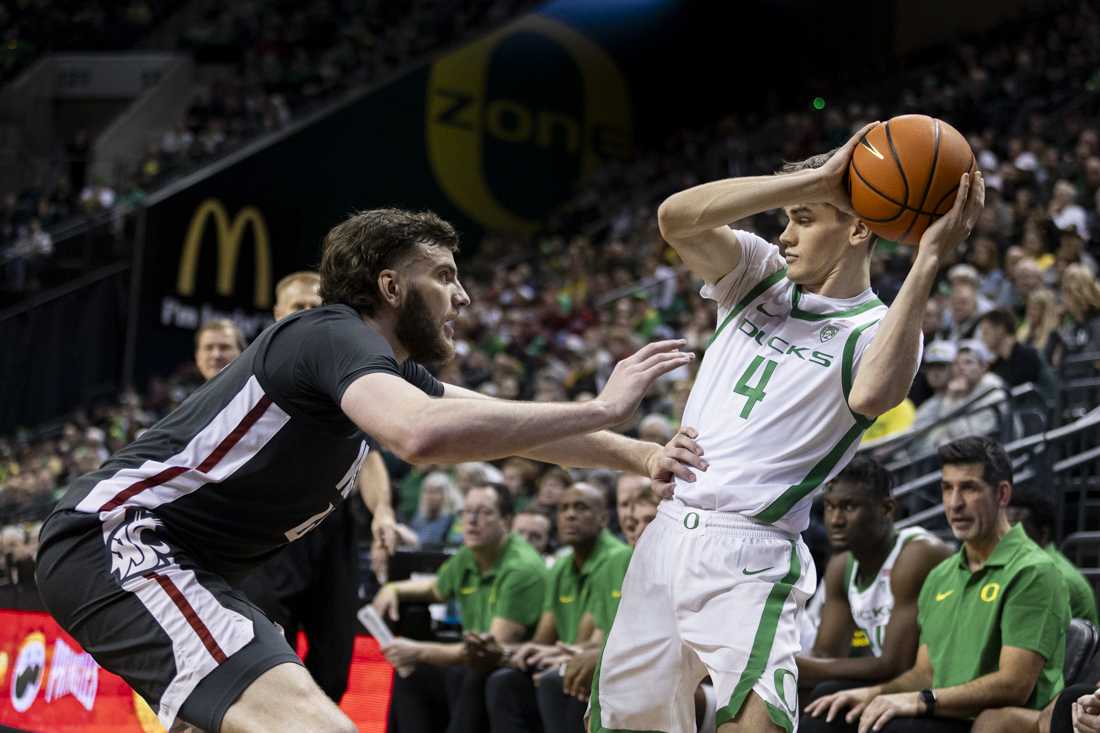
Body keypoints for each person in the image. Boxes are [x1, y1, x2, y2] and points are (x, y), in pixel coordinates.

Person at [35, 208, 698, 733]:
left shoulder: (381, 373)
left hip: (193, 564)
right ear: (390, 285)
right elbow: (421, 435)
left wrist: (637, 452)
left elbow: (510, 422)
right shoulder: (331, 334)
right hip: (124, 542)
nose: (462, 296)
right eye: (444, 275)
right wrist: (602, 403)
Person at [592, 124, 985, 733]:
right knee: (625, 723)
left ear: (857, 228)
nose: (785, 232)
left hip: (751, 548)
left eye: (804, 218)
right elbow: (675, 217)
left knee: (760, 722)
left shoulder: (877, 328)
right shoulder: (757, 274)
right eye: (786, 217)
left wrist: (929, 257)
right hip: (666, 536)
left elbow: (876, 393)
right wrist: (819, 181)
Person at [804, 436, 1069, 733]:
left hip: (993, 721)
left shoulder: (1033, 571)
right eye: (947, 488)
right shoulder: (942, 574)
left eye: (969, 488)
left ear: (1002, 495)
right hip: (942, 710)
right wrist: (873, 693)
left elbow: (1014, 684)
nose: (955, 503)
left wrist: (922, 700)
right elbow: (924, 673)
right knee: (827, 711)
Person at [373, 482, 547, 733]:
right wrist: (393, 589)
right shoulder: (469, 553)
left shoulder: (521, 569)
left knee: (468, 675)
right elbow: (436, 589)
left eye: (485, 512)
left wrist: (418, 650)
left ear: (507, 522)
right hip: (473, 662)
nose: (472, 520)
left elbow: (491, 649)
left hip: (512, 665)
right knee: (412, 676)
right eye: (467, 512)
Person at [797, 456, 952, 694]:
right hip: (896, 687)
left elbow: (895, 664)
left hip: (939, 688)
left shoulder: (917, 554)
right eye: (830, 506)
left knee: (823, 694)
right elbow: (825, 655)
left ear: (886, 509)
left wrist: (791, 667)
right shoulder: (841, 567)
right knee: (809, 693)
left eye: (849, 507)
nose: (836, 520)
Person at [485, 483, 631, 733]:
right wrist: (518, 652)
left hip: (604, 666)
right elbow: (544, 638)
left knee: (558, 680)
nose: (569, 515)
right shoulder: (561, 567)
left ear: (604, 518)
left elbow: (593, 641)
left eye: (580, 507)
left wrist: (554, 656)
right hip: (566, 660)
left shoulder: (616, 559)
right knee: (503, 681)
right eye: (563, 509)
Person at [1005, 486, 1098, 626]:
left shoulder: (1053, 577)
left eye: (1016, 531)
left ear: (1043, 534)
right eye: (1004, 530)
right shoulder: (1025, 566)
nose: (1007, 538)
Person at [911, 342, 1006, 454]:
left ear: (984, 367)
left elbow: (970, 439)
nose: (961, 368)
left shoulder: (993, 392)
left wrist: (951, 400)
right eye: (957, 363)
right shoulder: (962, 391)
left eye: (968, 362)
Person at [977, 308, 1057, 403]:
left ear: (1000, 330)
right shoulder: (998, 364)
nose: (982, 339)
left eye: (986, 332)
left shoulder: (1027, 355)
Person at [409, 470, 461, 548]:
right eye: (427, 491)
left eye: (436, 492)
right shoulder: (420, 516)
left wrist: (412, 539)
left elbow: (432, 543)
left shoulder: (453, 517)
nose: (430, 497)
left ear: (446, 495)